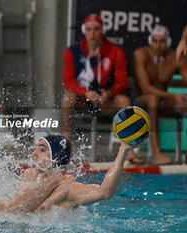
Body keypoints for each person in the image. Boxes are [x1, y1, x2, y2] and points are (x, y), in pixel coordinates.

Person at [61, 13, 145, 164]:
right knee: (68, 98)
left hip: (106, 100)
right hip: (83, 98)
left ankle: (128, 150)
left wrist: (109, 93)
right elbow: (68, 81)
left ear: (102, 30)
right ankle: (66, 147)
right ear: (84, 30)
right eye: (89, 29)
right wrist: (85, 92)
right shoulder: (72, 52)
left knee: (124, 102)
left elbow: (122, 81)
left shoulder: (115, 52)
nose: (92, 34)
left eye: (96, 29)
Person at [0, 135, 132, 213]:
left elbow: (104, 192)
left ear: (56, 158)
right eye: (36, 148)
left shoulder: (68, 189)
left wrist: (123, 150)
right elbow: (16, 208)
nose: (33, 154)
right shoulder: (29, 176)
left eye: (42, 150)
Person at [133, 25, 187, 165]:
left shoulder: (175, 57)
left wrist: (181, 97)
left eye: (162, 41)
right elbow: (146, 88)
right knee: (153, 99)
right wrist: (173, 96)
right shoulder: (141, 54)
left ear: (168, 42)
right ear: (150, 40)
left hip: (163, 101)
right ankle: (156, 154)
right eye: (155, 41)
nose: (158, 45)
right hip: (141, 101)